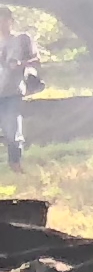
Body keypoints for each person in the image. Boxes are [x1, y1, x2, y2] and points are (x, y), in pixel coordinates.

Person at [0, 18, 36, 170]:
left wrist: (21, 64)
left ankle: (15, 164)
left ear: (11, 21)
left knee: (12, 130)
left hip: (11, 91)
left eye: (3, 19)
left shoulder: (21, 39)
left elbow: (36, 59)